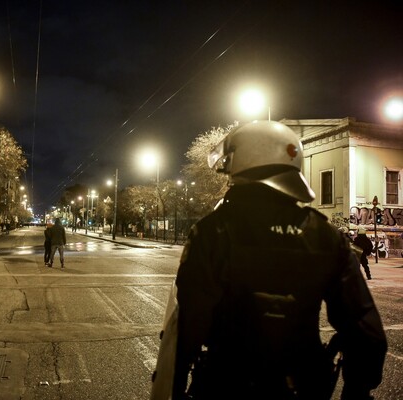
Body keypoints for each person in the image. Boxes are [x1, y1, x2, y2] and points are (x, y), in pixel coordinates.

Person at [151, 120, 387, 400]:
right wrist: (357, 391)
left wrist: (174, 385)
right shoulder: (326, 235)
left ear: (243, 165)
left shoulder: (213, 230)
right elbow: (365, 329)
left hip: (225, 384)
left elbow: (189, 323)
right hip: (302, 385)